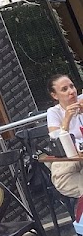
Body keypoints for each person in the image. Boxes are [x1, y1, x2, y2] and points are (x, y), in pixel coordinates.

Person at [43, 72, 83, 205]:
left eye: (72, 86)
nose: (71, 91)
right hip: (68, 165)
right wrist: (66, 119)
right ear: (55, 95)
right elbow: (56, 140)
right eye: (64, 89)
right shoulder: (54, 112)